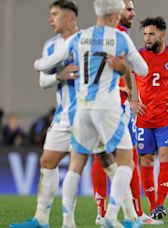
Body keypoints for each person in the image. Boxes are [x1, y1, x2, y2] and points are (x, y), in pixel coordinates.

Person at [33, 0, 148, 227]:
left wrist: (42, 65)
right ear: (115, 15)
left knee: (76, 165)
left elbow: (44, 64)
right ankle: (111, 216)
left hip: (83, 109)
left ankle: (67, 222)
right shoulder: (120, 38)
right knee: (126, 162)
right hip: (107, 108)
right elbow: (143, 69)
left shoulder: (79, 37)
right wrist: (123, 68)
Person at [89, 0, 161, 224]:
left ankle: (105, 212)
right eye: (129, 9)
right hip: (115, 105)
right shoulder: (119, 36)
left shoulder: (94, 35)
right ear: (116, 11)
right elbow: (137, 68)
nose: (133, 13)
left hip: (96, 104)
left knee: (104, 155)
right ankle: (129, 214)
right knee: (124, 157)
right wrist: (130, 96)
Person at [9, 1, 79, 227]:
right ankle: (41, 219)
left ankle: (125, 214)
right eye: (50, 15)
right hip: (63, 116)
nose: (50, 19)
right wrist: (60, 76)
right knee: (47, 162)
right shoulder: (50, 45)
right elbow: (42, 81)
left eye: (55, 14)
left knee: (105, 164)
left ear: (69, 17)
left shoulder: (87, 41)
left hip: (88, 115)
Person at [132, 16, 168, 220]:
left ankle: (161, 203)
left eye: (152, 34)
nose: (147, 38)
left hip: (167, 119)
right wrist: (130, 100)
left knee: (165, 155)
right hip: (143, 118)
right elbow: (120, 74)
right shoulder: (136, 56)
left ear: (162, 34)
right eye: (145, 34)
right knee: (146, 159)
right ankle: (154, 205)